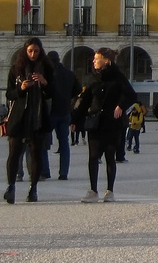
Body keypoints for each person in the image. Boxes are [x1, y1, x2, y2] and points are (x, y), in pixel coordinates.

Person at [75, 46, 137, 203]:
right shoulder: (93, 79)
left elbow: (131, 95)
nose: (94, 61)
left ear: (107, 61)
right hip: (95, 122)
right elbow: (85, 101)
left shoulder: (118, 78)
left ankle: (110, 190)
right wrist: (75, 120)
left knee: (110, 156)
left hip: (112, 123)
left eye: (97, 58)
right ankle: (93, 190)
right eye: (94, 59)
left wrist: (121, 105)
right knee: (93, 156)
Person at [3, 38, 53, 203]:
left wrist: (45, 83)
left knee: (36, 154)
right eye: (30, 51)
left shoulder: (47, 68)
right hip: (19, 117)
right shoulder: (16, 69)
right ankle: (11, 187)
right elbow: (9, 94)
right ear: (25, 51)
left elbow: (54, 93)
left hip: (38, 117)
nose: (33, 54)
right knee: (14, 153)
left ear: (40, 52)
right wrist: (21, 88)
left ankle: (33, 188)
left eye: (36, 51)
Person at [45, 50, 75, 180]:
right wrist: (68, 97)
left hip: (51, 112)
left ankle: (45, 171)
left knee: (43, 142)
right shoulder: (69, 73)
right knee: (64, 143)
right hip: (65, 112)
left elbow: (46, 91)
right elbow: (78, 89)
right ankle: (64, 173)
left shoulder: (49, 74)